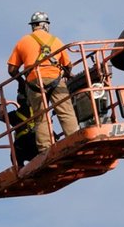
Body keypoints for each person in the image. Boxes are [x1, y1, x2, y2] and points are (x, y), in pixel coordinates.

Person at [6, 11, 78, 153]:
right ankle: (74, 140)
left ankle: (45, 149)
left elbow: (12, 69)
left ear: (33, 26)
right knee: (66, 112)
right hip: (56, 80)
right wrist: (68, 75)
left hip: (34, 82)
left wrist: (22, 81)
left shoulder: (23, 41)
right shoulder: (56, 41)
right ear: (46, 25)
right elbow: (68, 66)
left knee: (40, 116)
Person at [0, 85, 38, 167]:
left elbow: (1, 116)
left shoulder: (15, 115)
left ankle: (19, 168)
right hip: (38, 140)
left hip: (23, 144)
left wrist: (1, 104)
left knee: (15, 156)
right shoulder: (38, 108)